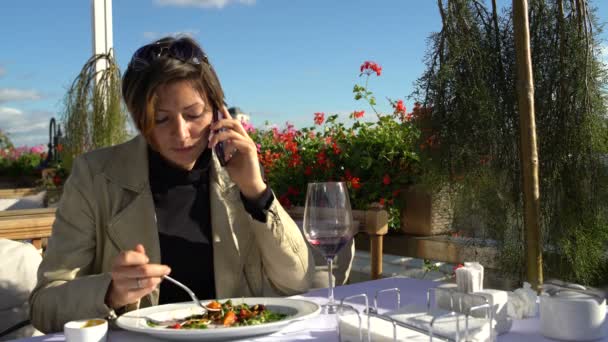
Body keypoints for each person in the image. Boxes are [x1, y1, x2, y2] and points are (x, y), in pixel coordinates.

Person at [29, 36, 314, 333]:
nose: (182, 133)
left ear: (218, 110)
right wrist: (111, 291)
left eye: (194, 114)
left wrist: (256, 191)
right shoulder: (95, 176)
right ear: (140, 120)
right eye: (161, 119)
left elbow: (297, 281)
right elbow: (44, 307)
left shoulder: (237, 171)